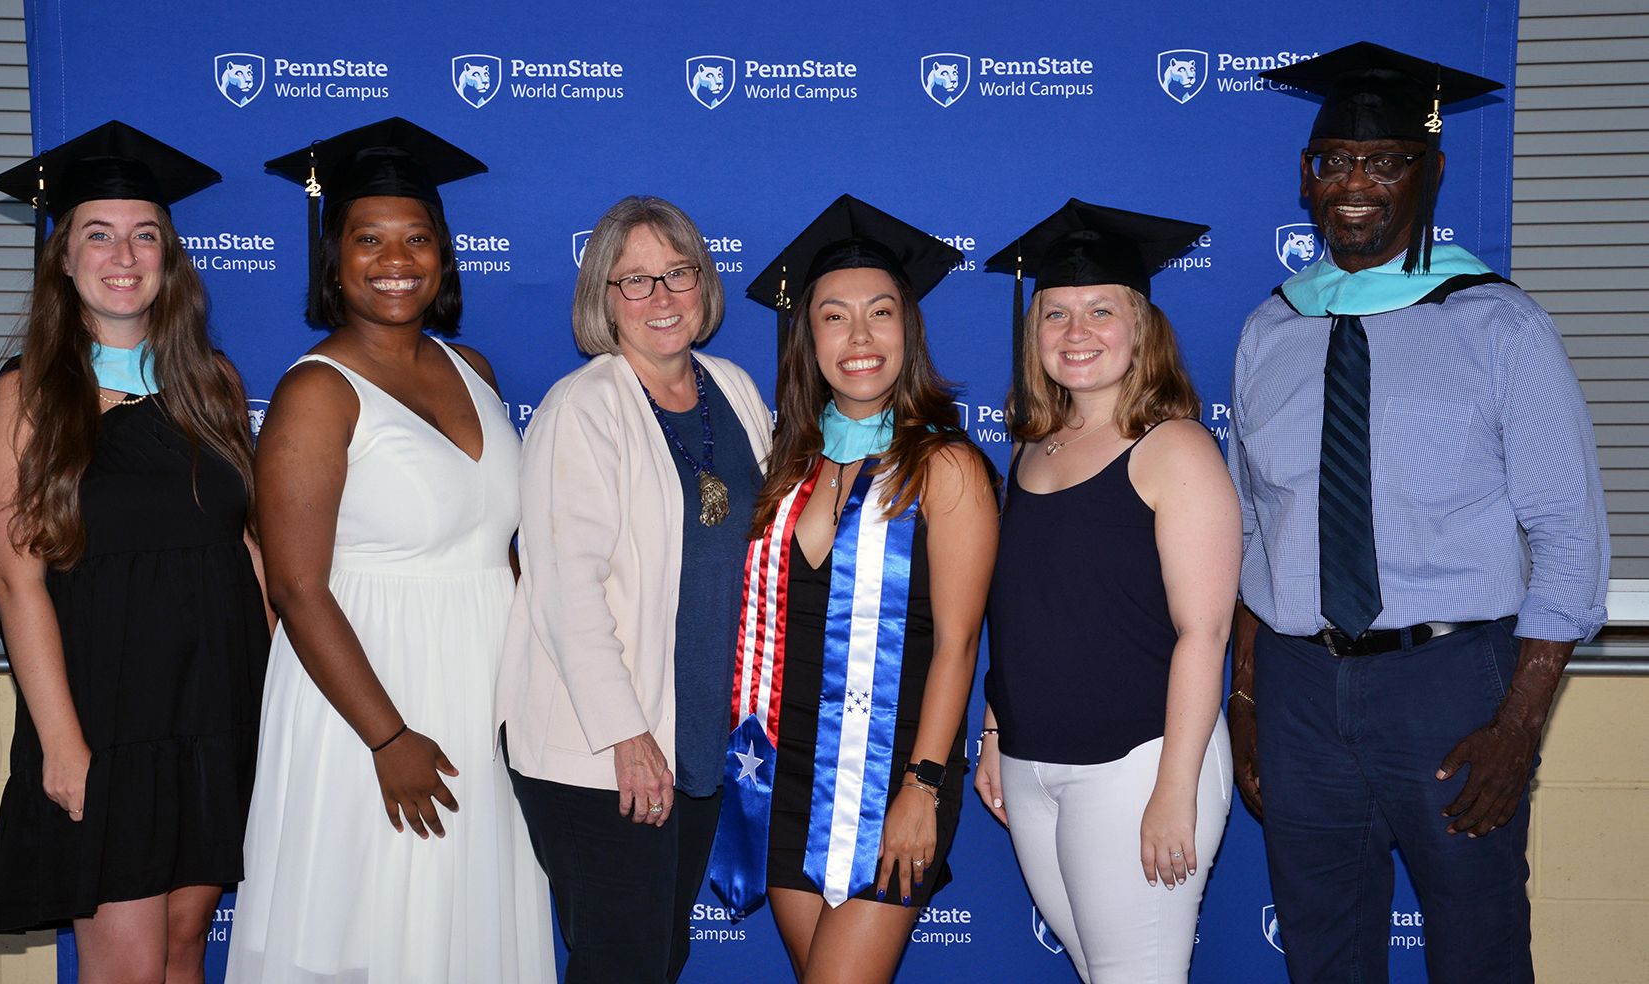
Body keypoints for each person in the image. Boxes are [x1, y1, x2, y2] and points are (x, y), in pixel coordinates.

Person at [1228, 43, 1610, 984]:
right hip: (1297, 686)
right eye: (1333, 163)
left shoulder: (1501, 325)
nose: (1355, 184)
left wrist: (1520, 722)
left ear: (1430, 174)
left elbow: (1569, 532)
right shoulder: (1271, 329)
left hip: (1448, 683)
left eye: (1386, 160)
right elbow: (1250, 529)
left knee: (1476, 942)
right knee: (1323, 944)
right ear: (1306, 182)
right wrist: (1246, 704)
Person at [225, 118, 554, 984]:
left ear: (444, 257)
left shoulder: (473, 368)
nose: (394, 258)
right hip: (369, 700)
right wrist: (387, 738)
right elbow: (297, 588)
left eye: (417, 238)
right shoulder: (315, 391)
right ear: (334, 258)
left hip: (480, 695)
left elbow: (503, 550)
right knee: (373, 928)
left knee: (463, 926)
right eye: (367, 239)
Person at [0, 121, 270, 983]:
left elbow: (246, 544)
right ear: (62, 259)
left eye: (145, 235)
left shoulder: (209, 382)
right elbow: (15, 578)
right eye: (96, 235)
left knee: (185, 948)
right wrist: (62, 742)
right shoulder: (27, 395)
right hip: (106, 713)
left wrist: (281, 698)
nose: (123, 254)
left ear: (169, 259)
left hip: (219, 701)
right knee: (129, 966)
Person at [713, 194, 1001, 984]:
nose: (860, 336)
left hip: (893, 774)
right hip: (779, 776)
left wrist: (924, 787)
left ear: (908, 330)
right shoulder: (783, 465)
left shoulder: (947, 468)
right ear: (808, 336)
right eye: (834, 316)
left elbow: (958, 646)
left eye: (880, 312)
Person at [497, 195, 772, 984]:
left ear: (703, 282)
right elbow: (563, 590)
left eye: (676, 273)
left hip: (697, 738)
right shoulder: (583, 408)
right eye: (635, 281)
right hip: (602, 752)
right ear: (602, 300)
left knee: (657, 957)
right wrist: (627, 736)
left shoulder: (732, 388)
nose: (661, 298)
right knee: (624, 963)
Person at [973, 200, 1237, 984]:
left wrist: (1174, 790)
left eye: (1100, 310)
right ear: (1034, 334)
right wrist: (994, 731)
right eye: (1055, 313)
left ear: (1142, 327)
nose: (1076, 331)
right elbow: (1026, 611)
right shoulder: (1028, 450)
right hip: (1031, 766)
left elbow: (1204, 633)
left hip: (1138, 764)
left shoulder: (1175, 448)